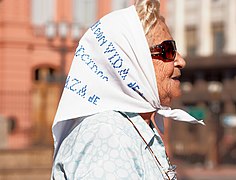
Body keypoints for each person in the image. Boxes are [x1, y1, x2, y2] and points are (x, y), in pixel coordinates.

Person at [51, 0, 204, 179]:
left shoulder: (130, 126)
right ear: (134, 61)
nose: (181, 61)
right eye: (168, 51)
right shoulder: (107, 135)